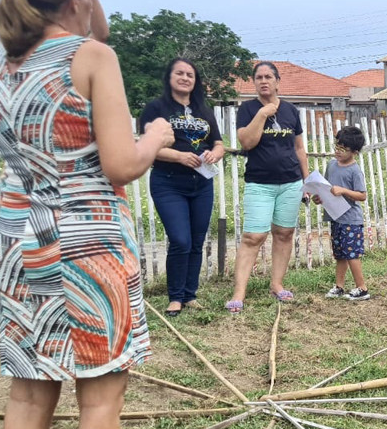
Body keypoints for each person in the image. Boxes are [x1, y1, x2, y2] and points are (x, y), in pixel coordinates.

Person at [0, 0, 176, 429]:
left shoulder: (3, 66)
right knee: (99, 400)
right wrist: (154, 136)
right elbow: (121, 163)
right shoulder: (92, 57)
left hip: (21, 238)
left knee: (27, 393)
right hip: (86, 237)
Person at [139, 58, 225, 317]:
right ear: (169, 77)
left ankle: (189, 295)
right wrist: (178, 156)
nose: (185, 77)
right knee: (180, 239)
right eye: (180, 73)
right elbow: (147, 144)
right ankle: (174, 297)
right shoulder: (156, 108)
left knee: (197, 241)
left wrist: (215, 154)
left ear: (195, 81)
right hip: (168, 182)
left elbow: (218, 143)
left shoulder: (204, 110)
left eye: (190, 74)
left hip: (202, 182)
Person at [227, 61, 309, 312]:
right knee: (254, 236)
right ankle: (239, 293)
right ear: (254, 82)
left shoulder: (291, 111)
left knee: (284, 233)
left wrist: (307, 183)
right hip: (259, 183)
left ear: (277, 81)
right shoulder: (248, 108)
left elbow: (298, 149)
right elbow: (247, 142)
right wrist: (263, 114)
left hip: (290, 182)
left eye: (268, 77)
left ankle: (277, 284)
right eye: (259, 77)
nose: (263, 81)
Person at [317, 125, 370, 300]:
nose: (338, 152)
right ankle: (339, 286)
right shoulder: (332, 165)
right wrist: (319, 198)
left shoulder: (355, 170)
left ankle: (362, 288)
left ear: (354, 151)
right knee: (339, 253)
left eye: (343, 149)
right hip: (335, 217)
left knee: (352, 254)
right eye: (336, 147)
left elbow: (362, 195)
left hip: (350, 219)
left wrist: (344, 191)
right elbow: (325, 188)